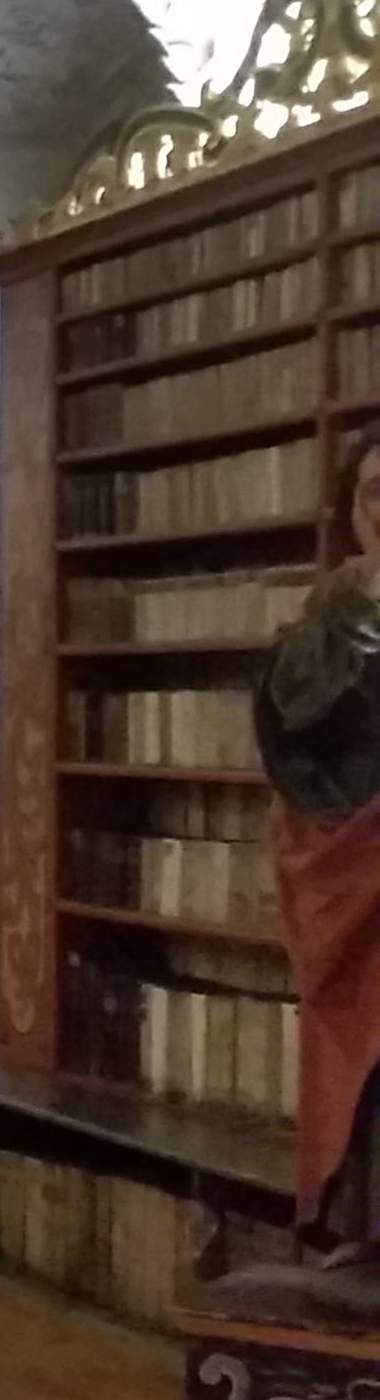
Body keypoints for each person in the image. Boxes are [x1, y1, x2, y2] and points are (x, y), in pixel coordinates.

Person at [257, 429, 380, 1252]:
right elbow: (293, 744)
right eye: (375, 495)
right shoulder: (329, 619)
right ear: (352, 513)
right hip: (360, 876)